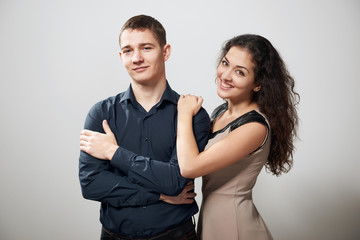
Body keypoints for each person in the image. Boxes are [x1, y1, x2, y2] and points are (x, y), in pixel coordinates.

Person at [79, 15, 210, 240]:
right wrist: (159, 195)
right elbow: (91, 184)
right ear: (121, 57)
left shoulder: (192, 115)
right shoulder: (101, 113)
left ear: (166, 51)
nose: (137, 58)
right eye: (128, 50)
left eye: (146, 48)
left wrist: (113, 152)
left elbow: (175, 181)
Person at [176, 34, 299, 240]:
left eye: (240, 72)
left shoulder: (254, 126)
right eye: (225, 63)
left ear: (257, 84)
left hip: (235, 225)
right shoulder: (220, 113)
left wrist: (183, 114)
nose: (225, 75)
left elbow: (190, 166)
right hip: (213, 220)